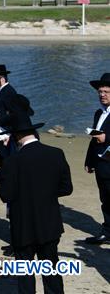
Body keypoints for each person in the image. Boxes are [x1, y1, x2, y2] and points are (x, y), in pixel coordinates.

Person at [0, 112, 73, 294]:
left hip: (23, 224)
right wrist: (45, 194)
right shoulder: (55, 153)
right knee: (51, 270)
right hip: (48, 222)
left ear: (16, 136)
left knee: (24, 272)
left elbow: (5, 195)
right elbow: (66, 188)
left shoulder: (11, 161)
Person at [84, 72, 110, 245]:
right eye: (100, 92)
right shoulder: (98, 113)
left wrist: (106, 138)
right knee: (105, 199)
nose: (102, 95)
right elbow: (94, 139)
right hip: (101, 163)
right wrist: (89, 160)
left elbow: (103, 137)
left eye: (106, 92)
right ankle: (107, 232)